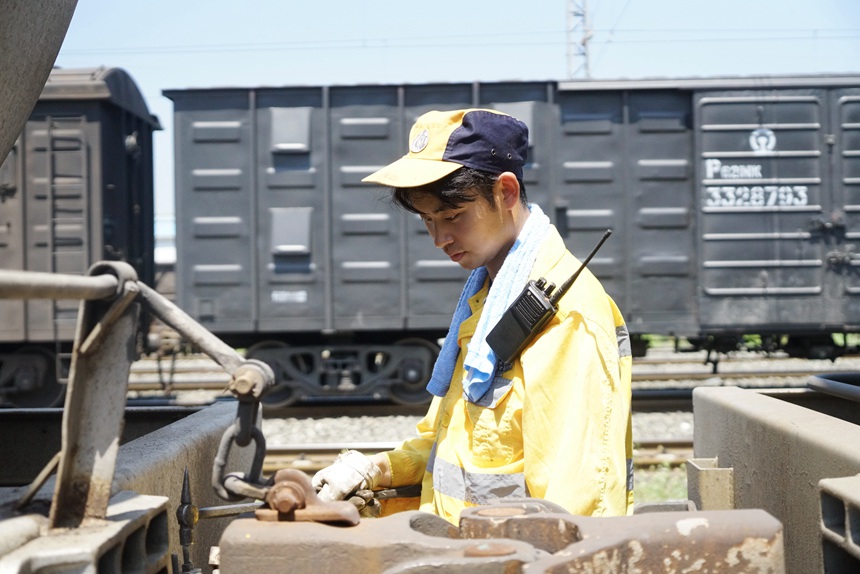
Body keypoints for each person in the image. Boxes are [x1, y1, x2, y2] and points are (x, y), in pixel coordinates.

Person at [312, 108, 633, 524]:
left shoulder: (564, 317)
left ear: (506, 192)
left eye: (451, 216)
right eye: (428, 220)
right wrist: (378, 470)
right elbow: (453, 444)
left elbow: (580, 506)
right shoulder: (491, 297)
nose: (439, 239)